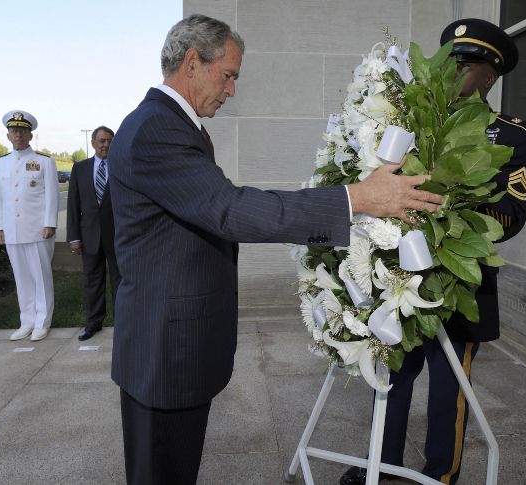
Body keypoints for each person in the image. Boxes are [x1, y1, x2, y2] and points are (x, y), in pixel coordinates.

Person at [107, 14, 445, 485]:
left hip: (167, 342)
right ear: (191, 62)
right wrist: (357, 198)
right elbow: (227, 209)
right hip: (165, 350)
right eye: (228, 75)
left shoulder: (166, 125)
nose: (231, 90)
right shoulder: (157, 129)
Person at [339, 18, 526, 485]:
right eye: (448, 62)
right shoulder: (404, 123)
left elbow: (509, 214)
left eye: (466, 65)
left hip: (461, 277)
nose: (453, 73)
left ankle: (440, 476)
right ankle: (383, 469)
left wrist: (440, 218)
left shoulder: (513, 133)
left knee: (449, 387)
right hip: (398, 274)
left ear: (489, 76)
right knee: (393, 372)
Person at [0, 110, 59, 341]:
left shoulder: (44, 161)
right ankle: (27, 321)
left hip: (38, 229)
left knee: (41, 277)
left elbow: (52, 195)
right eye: (14, 131)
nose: (18, 134)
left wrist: (50, 222)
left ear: (30, 135)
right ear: (8, 136)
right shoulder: (0, 164)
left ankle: (42, 321)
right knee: (21, 278)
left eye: (22, 131)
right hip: (12, 230)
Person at [66, 126, 120, 341]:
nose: (106, 144)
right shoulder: (80, 168)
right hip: (89, 237)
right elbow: (73, 205)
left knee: (120, 281)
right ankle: (93, 323)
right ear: (93, 143)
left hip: (117, 236)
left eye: (109, 141)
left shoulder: (121, 166)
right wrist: (74, 237)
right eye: (102, 141)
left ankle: (122, 323)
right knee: (92, 281)